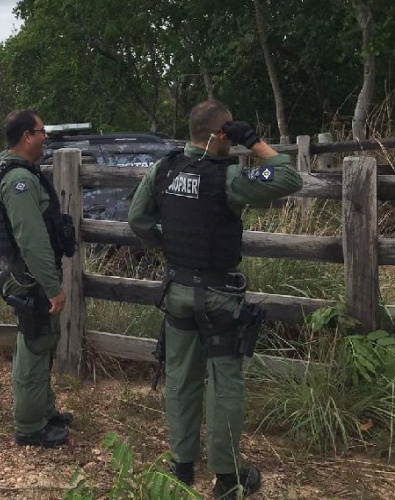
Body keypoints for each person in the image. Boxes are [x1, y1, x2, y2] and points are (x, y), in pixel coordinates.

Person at [128, 100, 303, 498]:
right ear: (222, 133)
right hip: (219, 295)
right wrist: (255, 142)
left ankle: (182, 466)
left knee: (182, 378)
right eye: (232, 132)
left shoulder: (164, 168)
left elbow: (137, 219)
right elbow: (290, 177)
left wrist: (166, 246)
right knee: (225, 384)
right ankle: (226, 478)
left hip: (176, 291)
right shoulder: (227, 178)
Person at [0, 109, 76, 448]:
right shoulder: (18, 181)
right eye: (41, 131)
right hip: (29, 277)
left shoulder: (15, 172)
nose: (45, 136)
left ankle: (44, 412)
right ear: (27, 136)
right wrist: (53, 287)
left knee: (42, 343)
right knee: (33, 346)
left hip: (29, 274)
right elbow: (32, 240)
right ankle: (29, 426)